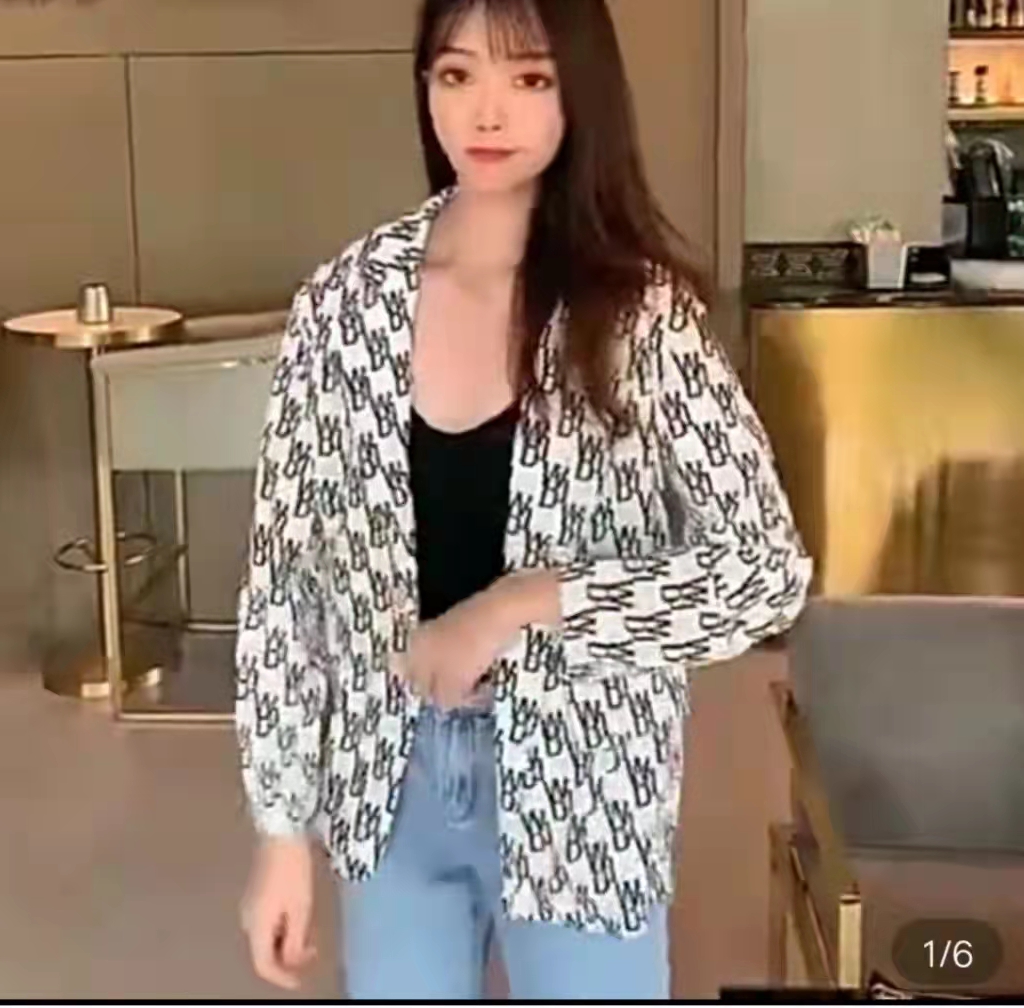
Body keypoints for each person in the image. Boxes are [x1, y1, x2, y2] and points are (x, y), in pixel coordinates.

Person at [235, 0, 813, 999]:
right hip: (390, 777)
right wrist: (281, 832)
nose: (487, 112)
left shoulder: (638, 316)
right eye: (457, 76)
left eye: (530, 78)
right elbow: (290, 582)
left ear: (578, 93)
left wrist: (526, 600)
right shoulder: (346, 303)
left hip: (587, 782)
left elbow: (764, 575)